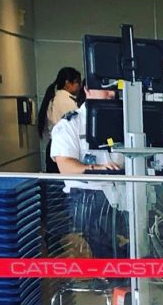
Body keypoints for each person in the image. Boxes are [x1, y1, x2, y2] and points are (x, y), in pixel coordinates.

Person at [49, 87, 126, 258]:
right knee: (98, 254)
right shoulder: (70, 124)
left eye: (114, 89)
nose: (112, 94)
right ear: (87, 90)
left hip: (121, 197)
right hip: (87, 198)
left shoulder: (122, 120)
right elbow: (66, 166)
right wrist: (98, 169)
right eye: (105, 89)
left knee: (124, 252)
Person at [37, 67, 84, 172]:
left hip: (54, 146)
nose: (80, 86)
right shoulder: (66, 101)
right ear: (67, 83)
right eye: (77, 83)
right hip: (64, 148)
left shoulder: (54, 97)